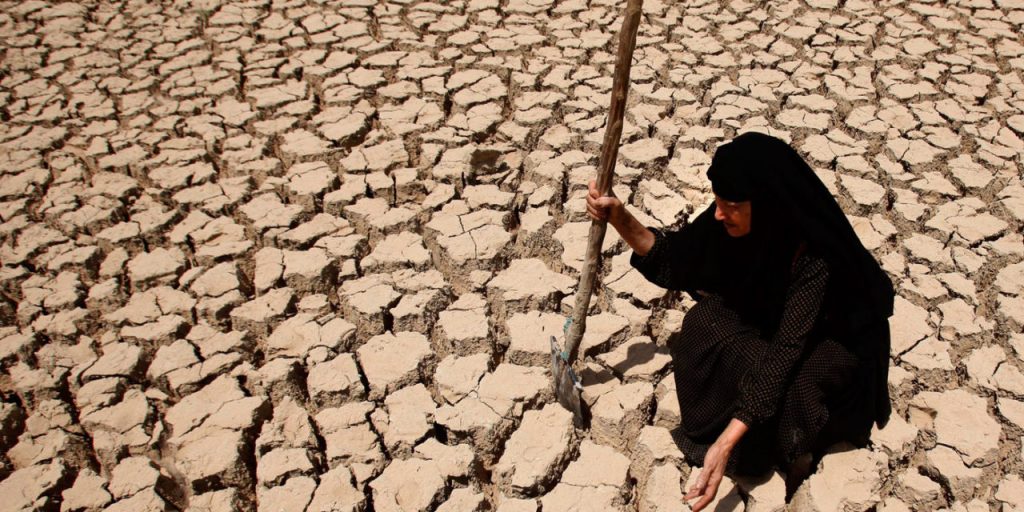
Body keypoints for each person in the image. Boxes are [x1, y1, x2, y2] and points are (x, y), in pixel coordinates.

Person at [586, 132, 894, 511]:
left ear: (765, 204)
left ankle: (793, 451)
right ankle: (747, 428)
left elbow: (786, 351)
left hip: (835, 340)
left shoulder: (813, 255)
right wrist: (619, 218)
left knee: (796, 390)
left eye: (730, 205)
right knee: (704, 323)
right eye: (717, 201)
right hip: (775, 323)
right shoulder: (734, 219)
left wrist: (725, 443)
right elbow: (678, 259)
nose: (718, 213)